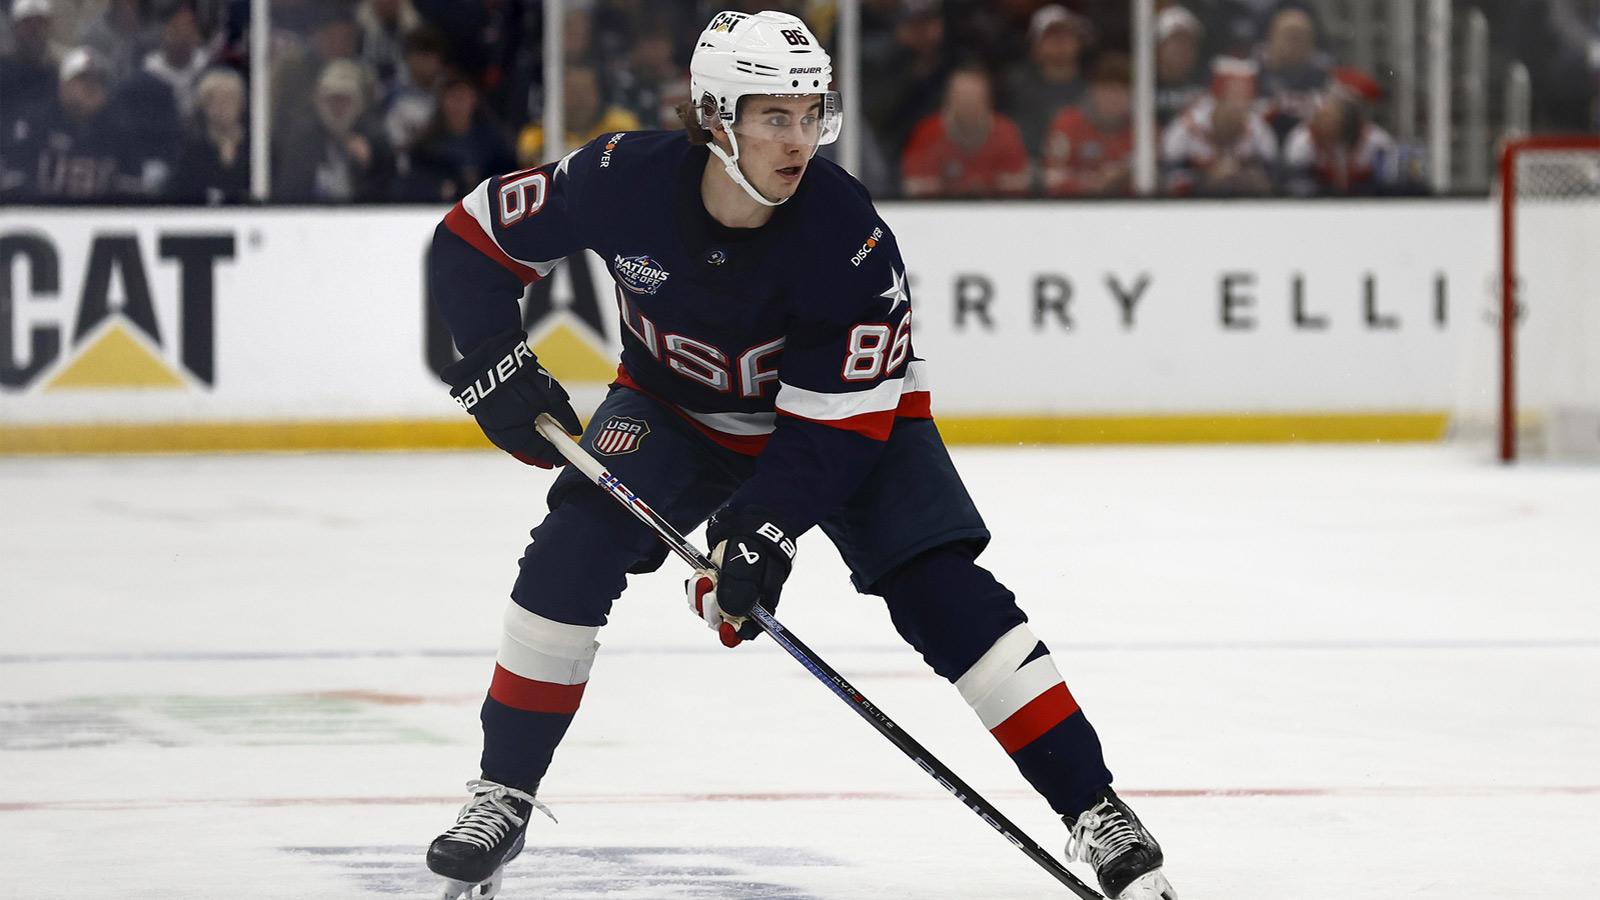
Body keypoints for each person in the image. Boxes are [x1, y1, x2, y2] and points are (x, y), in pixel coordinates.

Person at [420, 10, 1177, 900]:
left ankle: (1095, 808)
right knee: (569, 552)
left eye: (811, 113)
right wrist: (490, 368)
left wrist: (761, 536)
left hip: (851, 424)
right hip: (677, 407)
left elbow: (833, 430)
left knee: (943, 591)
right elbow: (471, 241)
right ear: (713, 117)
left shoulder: (846, 236)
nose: (799, 138)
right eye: (773, 115)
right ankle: (503, 793)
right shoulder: (620, 178)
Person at [900, 63, 1030, 197]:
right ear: (948, 100)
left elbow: (1016, 191)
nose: (968, 103)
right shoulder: (927, 133)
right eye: (962, 96)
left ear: (988, 101)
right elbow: (915, 190)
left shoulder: (1006, 133)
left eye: (974, 97)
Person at [1001, 3, 1092, 157]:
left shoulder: (1091, 90)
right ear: (1035, 46)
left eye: (1067, 34)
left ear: (1078, 43)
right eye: (1051, 36)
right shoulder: (1015, 89)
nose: (1060, 41)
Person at [1042, 52, 1133, 197]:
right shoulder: (1068, 124)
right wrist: (1090, 183)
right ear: (1093, 91)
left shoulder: (1144, 130)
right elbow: (1051, 176)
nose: (1114, 97)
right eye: (1107, 89)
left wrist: (1126, 176)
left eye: (1122, 90)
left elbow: (1160, 177)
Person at [173, 65, 249, 204]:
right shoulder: (192, 150)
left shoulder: (256, 147)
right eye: (214, 100)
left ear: (241, 103)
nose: (223, 107)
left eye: (229, 99)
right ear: (204, 105)